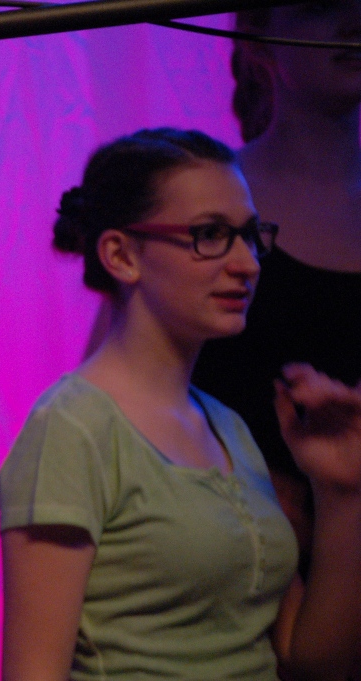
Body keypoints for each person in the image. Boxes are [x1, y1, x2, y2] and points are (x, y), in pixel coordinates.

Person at [0, 128, 361, 680]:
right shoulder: (72, 429)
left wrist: (343, 494)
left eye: (250, 236)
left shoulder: (227, 428)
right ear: (121, 255)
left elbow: (310, 661)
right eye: (210, 235)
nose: (248, 263)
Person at [193, 0, 361, 580]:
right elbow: (120, 401)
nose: (354, 23)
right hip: (250, 578)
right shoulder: (199, 206)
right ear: (258, 38)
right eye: (321, 5)